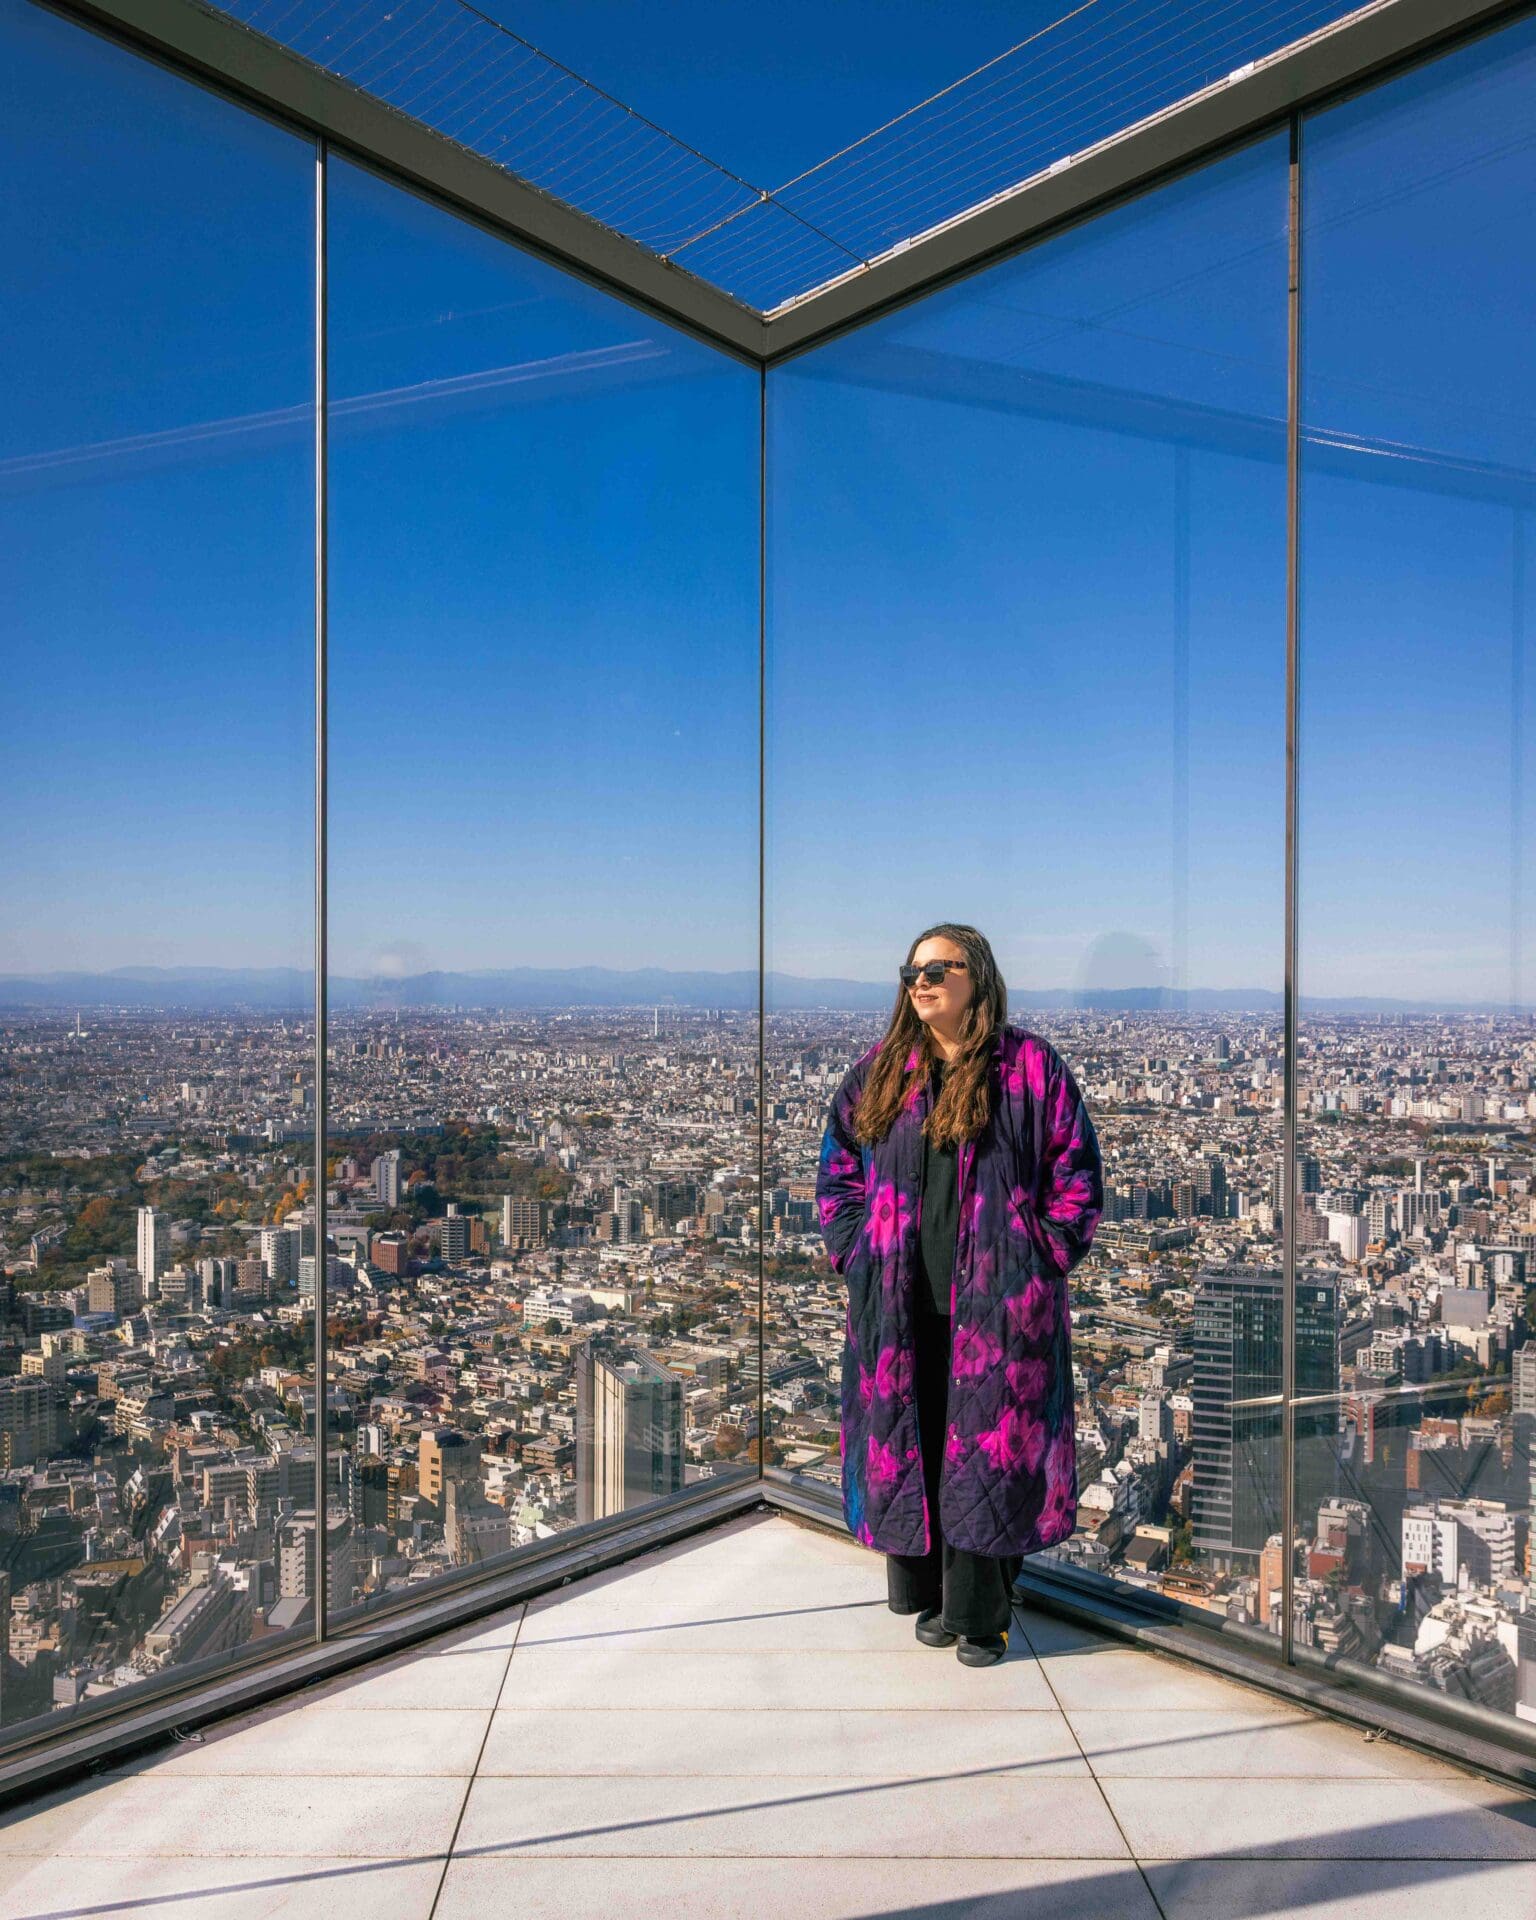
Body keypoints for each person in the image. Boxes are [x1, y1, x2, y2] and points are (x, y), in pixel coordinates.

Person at [815, 922, 1104, 1667]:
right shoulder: (881, 1071)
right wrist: (853, 1249)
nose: (921, 981)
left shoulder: (1028, 1067)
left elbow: (1077, 1175)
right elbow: (837, 1168)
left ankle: (983, 1616)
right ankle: (934, 1597)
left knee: (988, 1454)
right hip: (899, 1304)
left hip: (1002, 1309)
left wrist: (1041, 1255)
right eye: (912, 971)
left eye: (939, 968)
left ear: (978, 976)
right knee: (919, 1439)